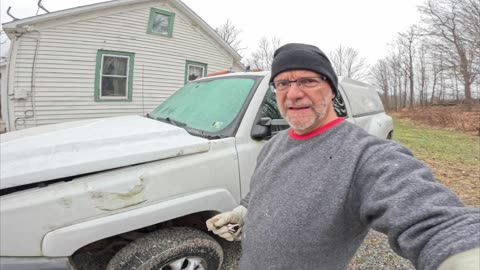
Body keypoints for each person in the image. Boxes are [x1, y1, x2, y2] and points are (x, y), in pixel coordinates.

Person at [206, 43, 480, 270]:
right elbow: (260, 192)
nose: (293, 93)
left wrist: (462, 255)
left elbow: (432, 220)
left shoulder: (366, 155)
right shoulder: (273, 144)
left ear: (332, 90)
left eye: (308, 81)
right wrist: (242, 213)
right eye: (282, 83)